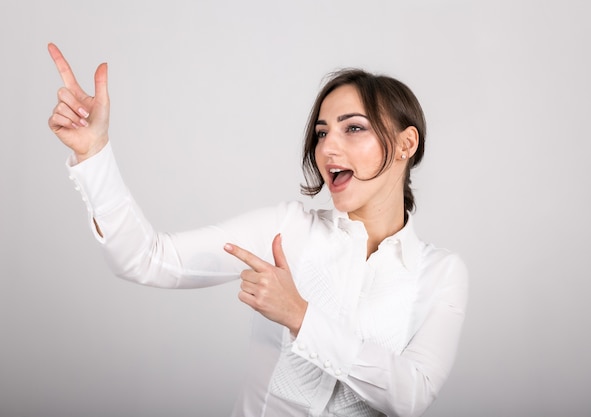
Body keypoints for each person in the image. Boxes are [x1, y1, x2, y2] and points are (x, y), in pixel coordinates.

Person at [47, 42, 468, 417]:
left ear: (406, 145)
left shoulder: (442, 273)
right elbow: (148, 259)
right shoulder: (287, 230)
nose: (327, 148)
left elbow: (411, 395)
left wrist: (301, 317)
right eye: (321, 133)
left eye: (352, 127)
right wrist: (94, 154)